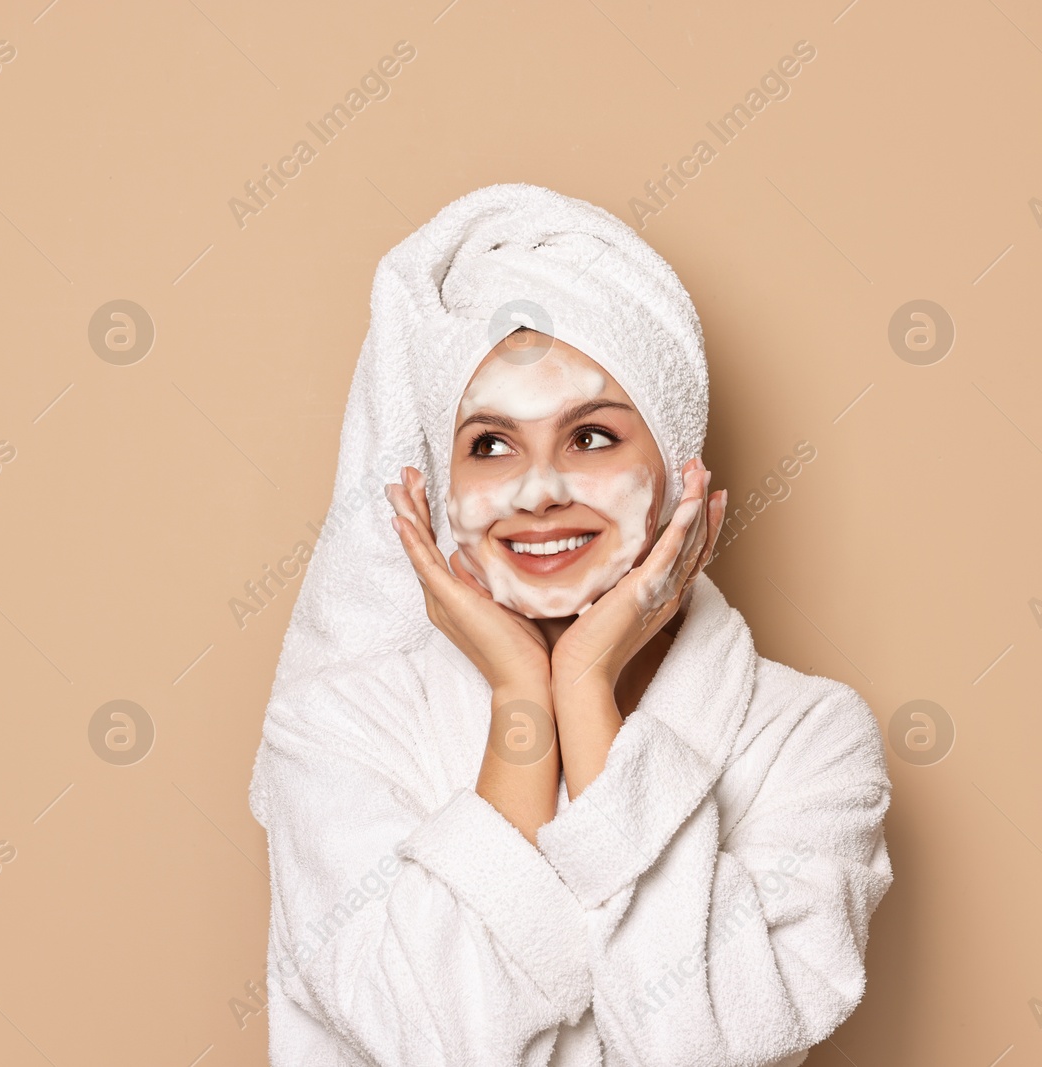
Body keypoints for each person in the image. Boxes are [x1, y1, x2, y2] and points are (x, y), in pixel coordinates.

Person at [248, 183, 892, 1067]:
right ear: (437, 492)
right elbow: (440, 1050)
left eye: (591, 437)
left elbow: (698, 1049)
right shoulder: (336, 729)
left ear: (675, 467)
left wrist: (583, 690)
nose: (538, 488)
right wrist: (523, 702)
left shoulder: (809, 740)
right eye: (490, 444)